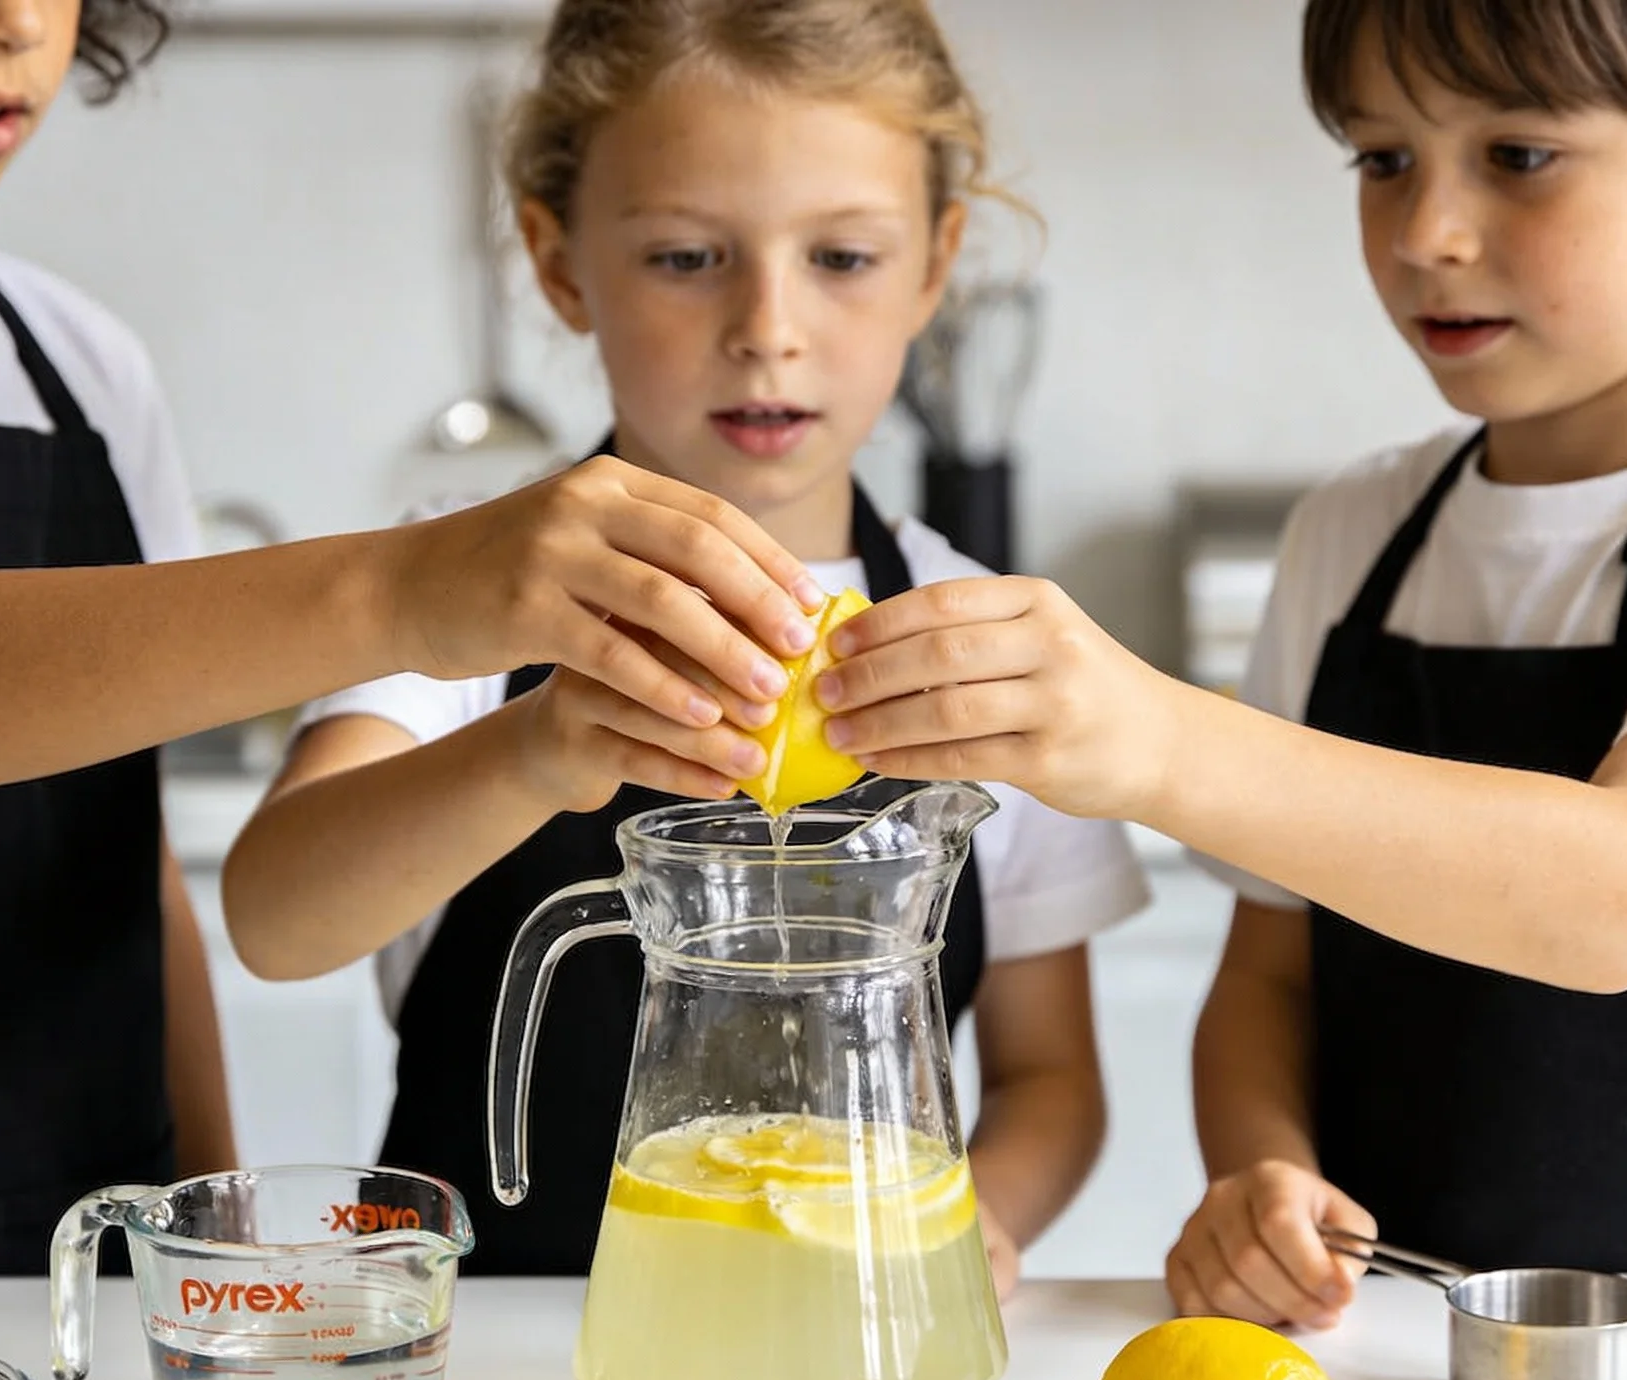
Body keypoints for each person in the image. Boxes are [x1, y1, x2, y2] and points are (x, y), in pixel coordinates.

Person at [0, 0, 819, 1274]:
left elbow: (125, 856)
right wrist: (410, 587)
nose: (11, 23)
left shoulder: (83, 359)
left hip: (85, 1256)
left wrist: (208, 1220)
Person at [812, 0, 1627, 1317]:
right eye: (1384, 159)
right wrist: (1263, 1171)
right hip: (1389, 1353)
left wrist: (1160, 740)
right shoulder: (1351, 536)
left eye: (1518, 156)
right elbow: (1269, 978)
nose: (1425, 236)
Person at [222, 0, 1147, 1294]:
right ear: (557, 260)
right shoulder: (461, 589)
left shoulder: (985, 634)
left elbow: (1053, 1083)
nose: (767, 324)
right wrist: (531, 752)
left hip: (837, 1349)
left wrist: (973, 1226)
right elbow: (275, 917)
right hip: (482, 1365)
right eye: (684, 258)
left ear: (936, 265)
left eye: (842, 258)